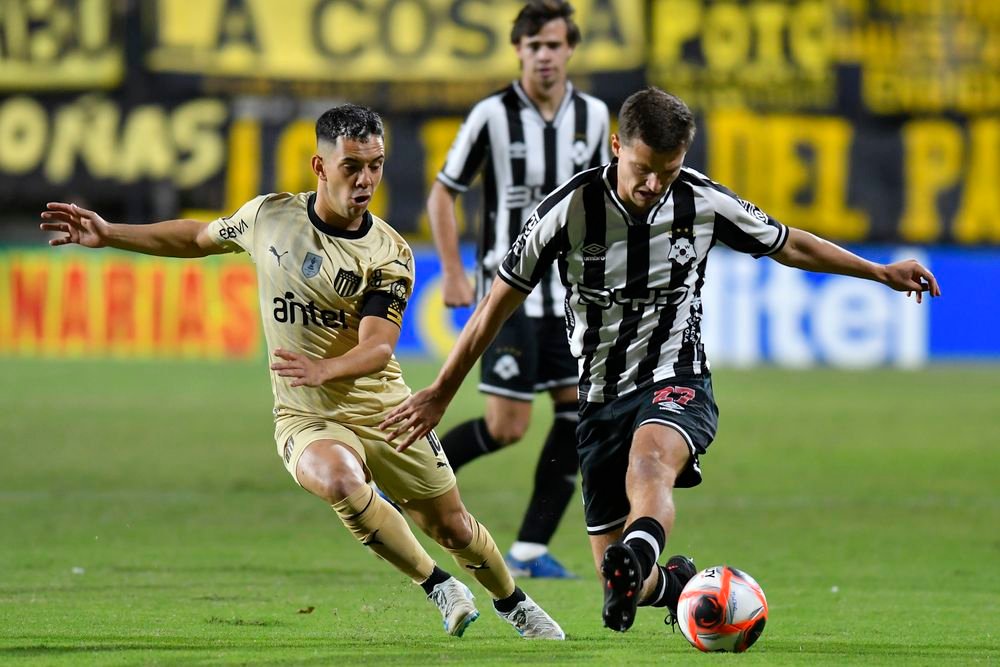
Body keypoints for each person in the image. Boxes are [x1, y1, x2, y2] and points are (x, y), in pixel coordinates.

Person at [382, 88, 941, 633]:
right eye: (645, 168)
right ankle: (669, 583)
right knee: (619, 581)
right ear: (617, 147)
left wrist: (878, 271)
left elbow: (790, 243)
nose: (655, 184)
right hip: (599, 396)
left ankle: (637, 554)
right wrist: (442, 390)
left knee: (650, 463)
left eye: (669, 172)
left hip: (677, 375)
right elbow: (491, 309)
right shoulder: (568, 211)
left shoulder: (703, 201)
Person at [39, 104, 565, 640]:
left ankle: (514, 603)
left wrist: (325, 367)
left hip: (385, 410)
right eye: (352, 166)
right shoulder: (270, 216)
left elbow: (379, 347)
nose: (366, 181)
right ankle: (438, 585)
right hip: (305, 415)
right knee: (340, 479)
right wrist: (111, 234)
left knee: (451, 525)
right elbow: (196, 239)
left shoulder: (389, 252)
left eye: (376, 166)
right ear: (319, 165)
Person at [427, 0, 609, 579]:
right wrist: (453, 272)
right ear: (518, 51)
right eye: (533, 46)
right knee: (508, 427)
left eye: (554, 45)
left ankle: (530, 549)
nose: (544, 56)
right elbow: (442, 193)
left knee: (579, 416)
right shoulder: (492, 115)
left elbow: (607, 198)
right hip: (509, 294)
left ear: (570, 48)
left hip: (574, 297)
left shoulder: (596, 117)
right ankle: (407, 477)